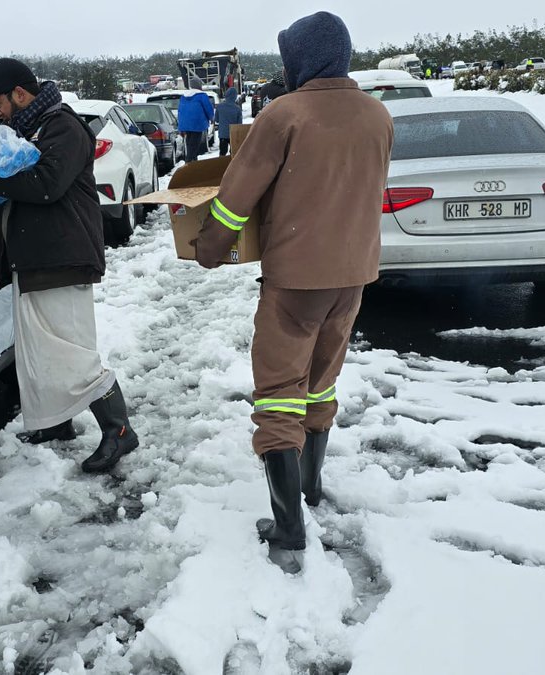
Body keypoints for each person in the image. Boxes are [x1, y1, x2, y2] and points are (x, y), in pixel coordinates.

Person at [193, 11, 393, 574]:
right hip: (353, 275)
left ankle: (287, 528)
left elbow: (237, 195)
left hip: (295, 280)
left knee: (280, 390)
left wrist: (211, 247)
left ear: (300, 58)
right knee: (321, 380)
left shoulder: (286, 113)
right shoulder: (378, 115)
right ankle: (309, 488)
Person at [0, 58, 139, 474]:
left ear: (20, 93)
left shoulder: (62, 127)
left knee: (70, 351)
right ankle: (56, 423)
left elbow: (44, 186)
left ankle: (119, 430)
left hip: (63, 257)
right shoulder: (22, 132)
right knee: (39, 351)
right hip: (35, 258)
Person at [177, 75, 215, 162]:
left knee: (189, 143)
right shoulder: (202, 96)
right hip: (197, 123)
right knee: (194, 145)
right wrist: (211, 118)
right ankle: (190, 161)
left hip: (185, 124)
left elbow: (180, 111)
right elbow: (208, 108)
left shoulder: (183, 96)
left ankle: (193, 160)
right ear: (199, 85)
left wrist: (180, 125)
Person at [214, 86, 243, 156]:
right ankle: (232, 166)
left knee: (222, 153)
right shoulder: (237, 108)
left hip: (223, 134)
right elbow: (240, 124)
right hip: (233, 134)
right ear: (235, 97)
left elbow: (216, 120)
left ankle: (221, 166)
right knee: (233, 153)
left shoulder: (219, 107)